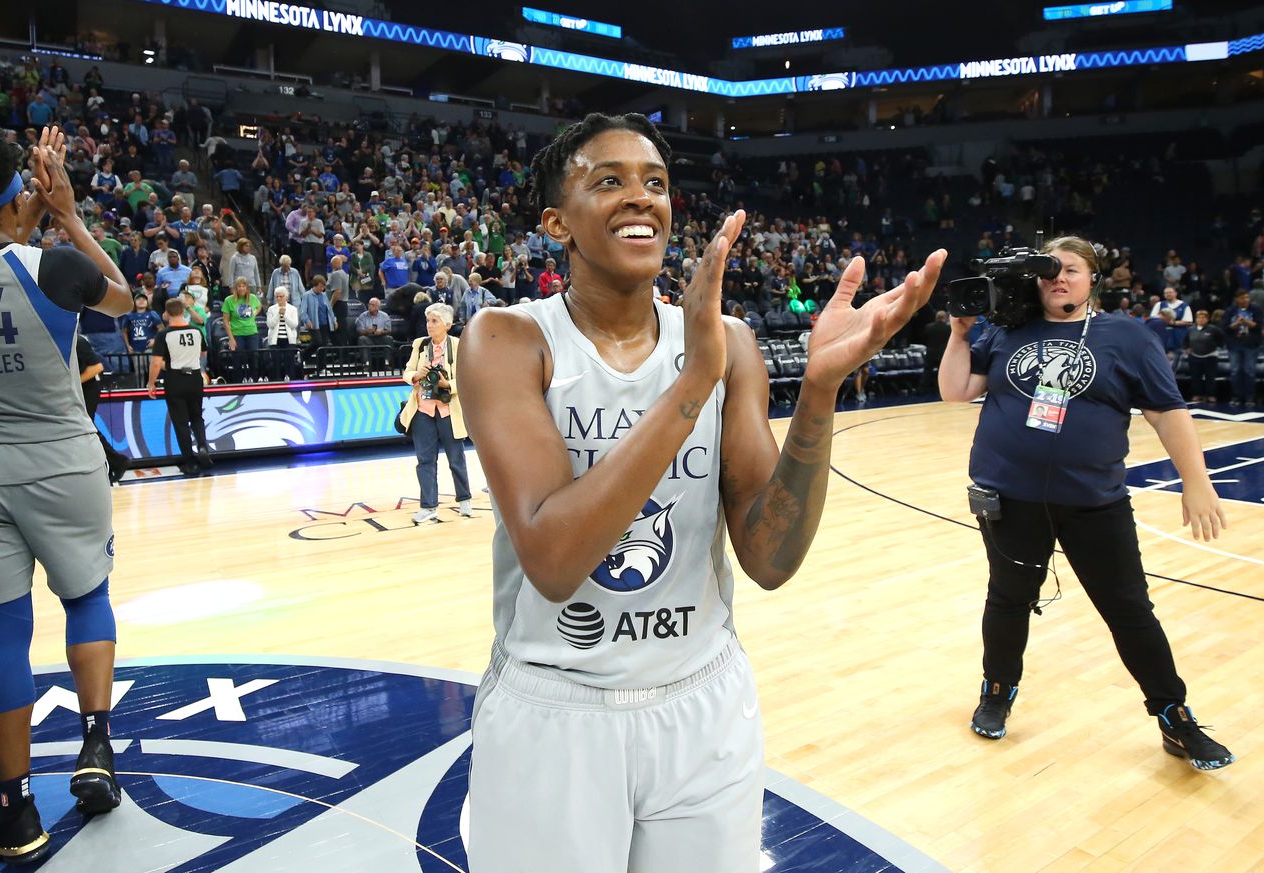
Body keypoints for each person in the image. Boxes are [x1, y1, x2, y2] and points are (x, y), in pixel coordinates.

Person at [455, 112, 945, 872]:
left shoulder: (731, 342)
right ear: (557, 222)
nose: (639, 197)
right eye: (608, 180)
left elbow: (769, 555)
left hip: (701, 699)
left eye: (655, 183)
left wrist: (817, 391)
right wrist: (692, 384)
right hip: (557, 703)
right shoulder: (507, 340)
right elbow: (554, 560)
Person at [938, 235, 1235, 771]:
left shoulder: (1127, 336)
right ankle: (997, 690)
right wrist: (960, 335)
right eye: (1049, 271)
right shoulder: (1006, 329)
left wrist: (1197, 481)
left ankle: (1174, 716)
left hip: (1094, 502)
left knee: (1129, 610)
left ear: (1092, 277)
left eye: (1070, 269)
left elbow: (1167, 412)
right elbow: (957, 391)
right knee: (1007, 600)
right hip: (1009, 498)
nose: (1058, 279)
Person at [0, 125, 133, 863]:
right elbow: (125, 301)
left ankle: (14, 811)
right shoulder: (59, 266)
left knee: (1, 635)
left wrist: (15, 217)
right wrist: (66, 212)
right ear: (18, 196)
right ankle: (96, 748)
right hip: (65, 463)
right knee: (86, 599)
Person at [400, 302, 472, 525]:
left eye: (434, 321)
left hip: (448, 408)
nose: (429, 325)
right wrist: (415, 375)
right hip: (423, 410)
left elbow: (467, 378)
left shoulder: (459, 345)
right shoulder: (420, 345)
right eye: (428, 321)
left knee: (456, 458)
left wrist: (447, 384)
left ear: (448, 324)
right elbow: (406, 372)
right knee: (425, 461)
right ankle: (429, 507)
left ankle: (464, 500)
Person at [146, 299, 212, 475]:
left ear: (166, 314)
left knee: (181, 422)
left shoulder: (164, 335)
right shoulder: (196, 331)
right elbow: (203, 353)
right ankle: (203, 446)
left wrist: (151, 383)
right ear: (184, 311)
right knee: (197, 417)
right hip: (195, 377)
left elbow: (156, 363)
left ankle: (189, 461)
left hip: (175, 379)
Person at [76, 335, 129, 483]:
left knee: (86, 427)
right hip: (77, 389)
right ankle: (115, 462)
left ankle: (117, 461)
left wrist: (73, 382)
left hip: (88, 389)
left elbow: (97, 367)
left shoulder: (78, 341)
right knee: (85, 428)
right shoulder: (61, 341)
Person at [1221, 290, 1264, 407]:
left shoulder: (1256, 309)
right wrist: (1236, 323)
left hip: (1251, 345)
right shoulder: (1230, 310)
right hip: (1234, 345)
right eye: (1242, 298)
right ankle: (1236, 396)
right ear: (1236, 299)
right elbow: (1225, 328)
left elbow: (1259, 326)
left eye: (1247, 297)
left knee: (1249, 371)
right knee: (1235, 371)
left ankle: (1250, 397)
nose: (1245, 300)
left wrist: (1245, 321)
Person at [222, 276, 262, 382]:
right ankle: (238, 384)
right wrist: (231, 339)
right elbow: (225, 321)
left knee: (254, 358)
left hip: (251, 332)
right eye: (239, 286)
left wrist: (254, 313)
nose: (241, 288)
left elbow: (259, 306)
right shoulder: (228, 300)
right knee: (238, 360)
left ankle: (254, 382)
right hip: (237, 334)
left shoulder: (252, 298)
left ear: (247, 288)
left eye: (243, 286)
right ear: (236, 288)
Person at [1183, 310, 1224, 403]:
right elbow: (1185, 340)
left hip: (1210, 356)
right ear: (1196, 319)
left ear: (1207, 319)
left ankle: (1211, 395)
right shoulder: (1190, 329)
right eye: (1199, 317)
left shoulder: (1213, 329)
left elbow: (1221, 339)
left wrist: (1216, 347)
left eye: (1203, 317)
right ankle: (1197, 394)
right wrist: (1187, 348)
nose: (1201, 319)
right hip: (1194, 356)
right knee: (1195, 376)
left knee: (1210, 377)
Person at [265, 286, 301, 380]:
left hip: (289, 340)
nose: (279, 298)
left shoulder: (292, 309)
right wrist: (278, 314)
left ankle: (291, 381)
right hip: (275, 340)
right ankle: (276, 383)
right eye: (277, 296)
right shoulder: (271, 309)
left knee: (289, 362)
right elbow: (270, 324)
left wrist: (284, 315)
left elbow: (294, 325)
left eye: (281, 296)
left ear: (286, 297)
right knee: (275, 363)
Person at [354, 296, 394, 369]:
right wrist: (367, 331)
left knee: (389, 338)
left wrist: (382, 331)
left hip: (381, 337)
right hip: (368, 338)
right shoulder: (362, 316)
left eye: (372, 305)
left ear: (377, 307)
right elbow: (359, 331)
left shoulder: (384, 316)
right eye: (369, 304)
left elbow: (389, 330)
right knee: (362, 339)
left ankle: (387, 363)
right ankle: (366, 364)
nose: (369, 306)